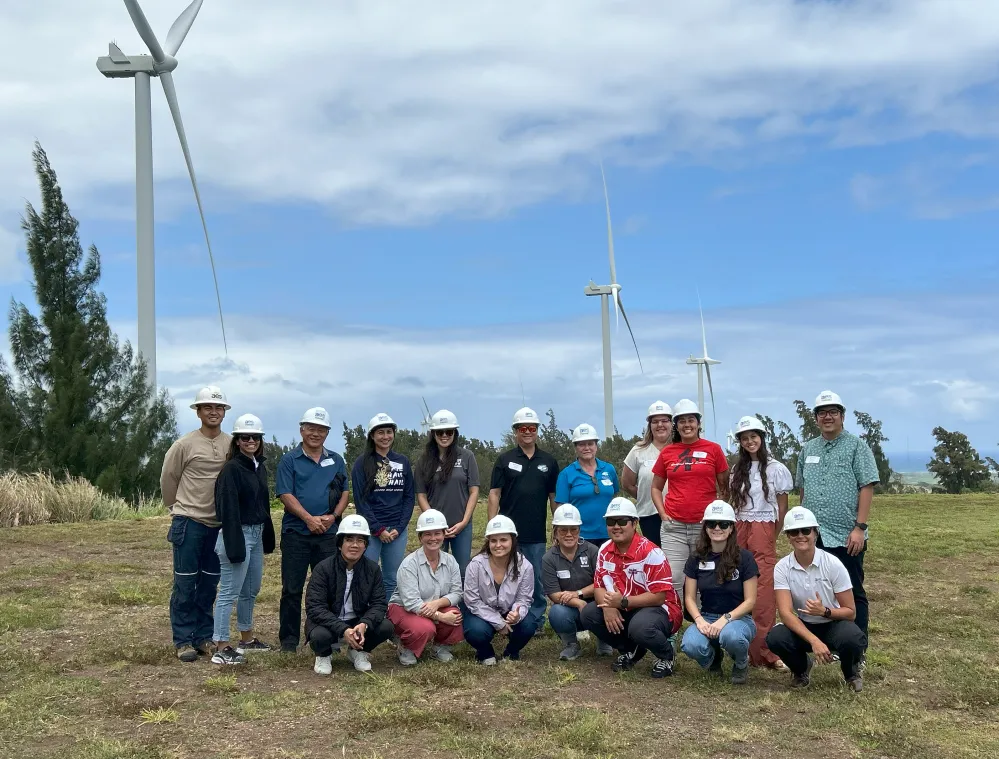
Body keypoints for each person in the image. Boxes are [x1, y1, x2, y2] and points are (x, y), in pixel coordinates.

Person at [796, 390, 878, 657]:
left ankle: (856, 649)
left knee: (851, 591)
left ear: (842, 416)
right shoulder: (808, 448)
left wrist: (860, 528)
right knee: (817, 589)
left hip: (845, 535)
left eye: (833, 412)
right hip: (812, 536)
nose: (827, 417)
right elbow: (803, 490)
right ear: (816, 419)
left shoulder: (856, 446)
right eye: (822, 413)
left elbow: (866, 486)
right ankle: (826, 645)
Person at [161, 386, 232, 662]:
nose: (213, 412)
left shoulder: (230, 444)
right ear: (198, 412)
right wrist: (177, 508)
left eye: (218, 408)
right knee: (185, 583)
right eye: (207, 408)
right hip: (189, 522)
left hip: (218, 525)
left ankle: (204, 636)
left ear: (224, 412)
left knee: (209, 584)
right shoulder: (184, 445)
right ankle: (183, 640)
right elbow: (168, 480)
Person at [766, 507, 866, 692]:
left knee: (853, 636)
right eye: (794, 531)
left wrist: (825, 611)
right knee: (776, 637)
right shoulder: (782, 567)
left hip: (832, 622)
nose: (800, 536)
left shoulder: (833, 564)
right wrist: (814, 641)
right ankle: (801, 669)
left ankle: (851, 673)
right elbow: (786, 614)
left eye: (806, 530)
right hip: (805, 624)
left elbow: (851, 612)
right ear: (788, 536)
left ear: (815, 533)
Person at [580, 498, 682, 678]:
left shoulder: (652, 553)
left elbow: (659, 597)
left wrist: (623, 602)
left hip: (661, 609)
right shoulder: (604, 549)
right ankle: (632, 649)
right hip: (624, 605)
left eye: (622, 521)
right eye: (611, 522)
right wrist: (608, 606)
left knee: (639, 627)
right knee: (589, 614)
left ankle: (666, 655)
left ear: (635, 523)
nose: (616, 526)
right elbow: (599, 586)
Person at [276, 407, 350, 653]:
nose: (316, 434)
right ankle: (289, 641)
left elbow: (345, 493)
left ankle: (328, 636)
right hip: (296, 533)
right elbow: (285, 494)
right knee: (292, 588)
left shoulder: (337, 460)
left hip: (329, 534)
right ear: (302, 430)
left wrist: (333, 516)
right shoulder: (289, 460)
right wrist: (308, 518)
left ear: (327, 433)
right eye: (311, 428)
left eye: (321, 429)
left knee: (330, 587)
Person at [210, 414, 276, 665]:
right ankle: (221, 645)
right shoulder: (231, 470)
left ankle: (246, 639)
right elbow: (227, 510)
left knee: (251, 589)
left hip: (256, 534)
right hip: (237, 535)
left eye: (255, 437)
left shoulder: (258, 466)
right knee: (229, 592)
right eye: (245, 437)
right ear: (237, 441)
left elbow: (263, 506)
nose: (251, 441)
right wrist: (235, 542)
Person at [730, 415, 793, 670]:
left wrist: (771, 536)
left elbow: (782, 507)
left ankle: (764, 650)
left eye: (753, 436)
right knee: (738, 585)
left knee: (764, 589)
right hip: (739, 528)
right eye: (744, 438)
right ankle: (740, 646)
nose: (749, 441)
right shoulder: (738, 469)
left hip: (763, 529)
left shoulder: (776, 469)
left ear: (762, 438)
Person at [651, 399, 730, 602]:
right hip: (674, 526)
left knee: (704, 577)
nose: (687, 425)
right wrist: (662, 513)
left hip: (705, 527)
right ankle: (672, 623)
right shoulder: (668, 452)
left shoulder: (714, 449)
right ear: (676, 425)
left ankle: (705, 623)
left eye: (691, 420)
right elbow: (656, 487)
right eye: (682, 421)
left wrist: (717, 516)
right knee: (674, 577)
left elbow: (725, 487)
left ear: (698, 423)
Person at [488, 407, 558, 631]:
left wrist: (556, 526)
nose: (527, 432)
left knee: (535, 577)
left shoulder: (548, 460)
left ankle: (536, 621)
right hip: (507, 533)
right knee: (505, 575)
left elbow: (553, 497)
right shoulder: (505, 459)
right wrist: (492, 528)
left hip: (536, 532)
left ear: (537, 431)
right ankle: (503, 618)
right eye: (523, 428)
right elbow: (494, 494)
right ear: (516, 432)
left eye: (532, 428)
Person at [680, 501, 758, 684]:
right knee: (690, 645)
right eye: (711, 523)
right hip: (707, 616)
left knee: (732, 637)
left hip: (739, 618)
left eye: (723, 524)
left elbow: (750, 601)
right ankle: (713, 660)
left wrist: (725, 619)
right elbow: (689, 598)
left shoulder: (745, 558)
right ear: (705, 527)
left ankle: (740, 664)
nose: (717, 528)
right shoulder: (696, 558)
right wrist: (699, 620)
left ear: (731, 528)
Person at [305, 514, 395, 674]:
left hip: (357, 621)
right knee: (319, 635)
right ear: (340, 544)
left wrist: (364, 624)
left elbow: (379, 604)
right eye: (349, 540)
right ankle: (324, 654)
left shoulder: (373, 569)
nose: (355, 545)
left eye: (360, 540)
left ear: (366, 545)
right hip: (329, 623)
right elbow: (315, 607)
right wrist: (343, 629)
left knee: (386, 626)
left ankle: (358, 651)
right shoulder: (323, 569)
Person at [387, 509, 464, 666]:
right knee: (425, 627)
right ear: (420, 537)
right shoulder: (409, 564)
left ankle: (439, 646)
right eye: (427, 534)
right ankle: (406, 647)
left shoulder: (450, 561)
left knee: (455, 614)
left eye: (437, 533)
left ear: (444, 535)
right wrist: (441, 616)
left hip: (431, 606)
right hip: (404, 608)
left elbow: (457, 593)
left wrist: (437, 604)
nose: (433, 538)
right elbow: (411, 603)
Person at [352, 413, 416, 601]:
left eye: (389, 432)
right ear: (372, 435)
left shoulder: (402, 461)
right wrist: (378, 529)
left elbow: (408, 496)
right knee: (366, 575)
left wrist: (399, 527)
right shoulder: (361, 463)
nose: (385, 436)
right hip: (371, 532)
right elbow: (361, 501)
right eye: (381, 432)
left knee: (392, 578)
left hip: (397, 531)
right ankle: (365, 617)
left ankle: (387, 618)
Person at [462, 515, 540, 664]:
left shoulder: (525, 566)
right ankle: (485, 652)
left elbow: (524, 599)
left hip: (509, 610)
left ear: (512, 540)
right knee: (475, 631)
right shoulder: (476, 565)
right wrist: (499, 622)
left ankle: (511, 652)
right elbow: (472, 601)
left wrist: (516, 614)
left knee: (529, 625)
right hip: (482, 611)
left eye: (503, 540)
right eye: (493, 540)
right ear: (488, 542)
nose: (498, 545)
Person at [541, 504, 612, 660]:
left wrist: (578, 593)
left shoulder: (593, 551)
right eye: (563, 530)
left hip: (596, 605)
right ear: (555, 532)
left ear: (579, 530)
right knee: (556, 612)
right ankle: (571, 645)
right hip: (571, 609)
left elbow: (602, 582)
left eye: (573, 529)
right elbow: (554, 594)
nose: (569, 534)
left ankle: (605, 639)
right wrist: (579, 603)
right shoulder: (549, 559)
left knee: (609, 604)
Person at [415, 409, 480, 578]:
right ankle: (437, 604)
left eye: (449, 432)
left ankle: (461, 605)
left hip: (461, 526)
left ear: (455, 433)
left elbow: (474, 491)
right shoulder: (424, 461)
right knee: (434, 569)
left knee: (463, 571)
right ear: (433, 433)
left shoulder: (467, 456)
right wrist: (436, 524)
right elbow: (421, 495)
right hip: (435, 529)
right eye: (440, 432)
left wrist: (464, 522)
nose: (444, 435)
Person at [555, 423, 619, 547]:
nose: (586, 448)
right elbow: (561, 508)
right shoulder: (566, 474)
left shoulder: (609, 469)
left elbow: (614, 497)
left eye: (590, 443)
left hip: (609, 534)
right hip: (579, 536)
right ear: (575, 448)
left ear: (596, 446)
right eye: (581, 444)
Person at [622, 401, 673, 548]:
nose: (660, 425)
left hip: (676, 515)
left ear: (671, 423)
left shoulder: (680, 448)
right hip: (649, 515)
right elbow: (627, 483)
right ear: (649, 425)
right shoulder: (638, 450)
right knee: (654, 556)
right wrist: (647, 496)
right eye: (655, 421)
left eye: (664, 421)